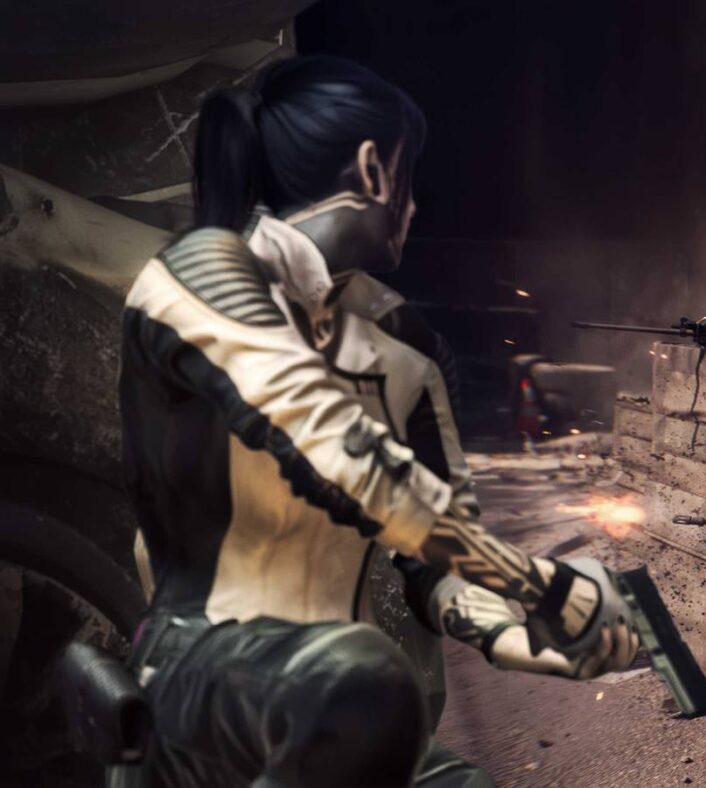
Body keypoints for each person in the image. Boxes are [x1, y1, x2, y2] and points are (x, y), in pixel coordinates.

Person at [120, 56, 638, 787]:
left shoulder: (405, 344)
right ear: (372, 170)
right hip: (199, 685)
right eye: (409, 179)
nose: (415, 207)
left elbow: (436, 563)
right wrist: (542, 584)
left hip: (342, 712)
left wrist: (525, 638)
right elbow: (337, 453)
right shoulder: (199, 274)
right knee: (364, 678)